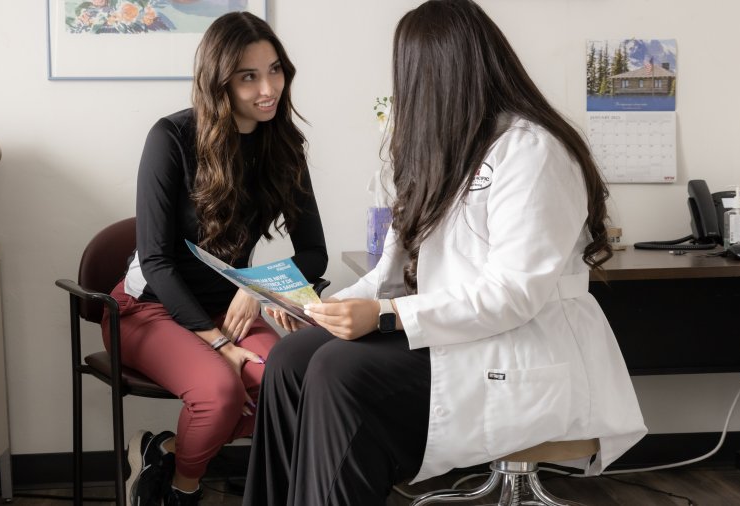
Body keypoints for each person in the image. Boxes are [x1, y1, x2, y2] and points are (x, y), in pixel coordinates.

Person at [242, 1, 647, 504]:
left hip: (521, 346)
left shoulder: (532, 151)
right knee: (292, 357)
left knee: (339, 372)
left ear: (447, 74)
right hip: (452, 335)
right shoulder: (440, 151)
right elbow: (388, 273)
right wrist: (328, 310)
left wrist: (385, 317)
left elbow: (514, 294)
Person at [104, 11, 327, 506]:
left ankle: (165, 458)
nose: (268, 87)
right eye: (249, 76)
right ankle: (180, 492)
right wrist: (220, 344)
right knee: (221, 392)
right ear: (219, 80)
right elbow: (158, 261)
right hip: (149, 309)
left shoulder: (284, 146)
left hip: (226, 305)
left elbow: (314, 252)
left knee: (293, 382)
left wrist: (255, 290)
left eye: (275, 70)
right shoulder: (171, 139)